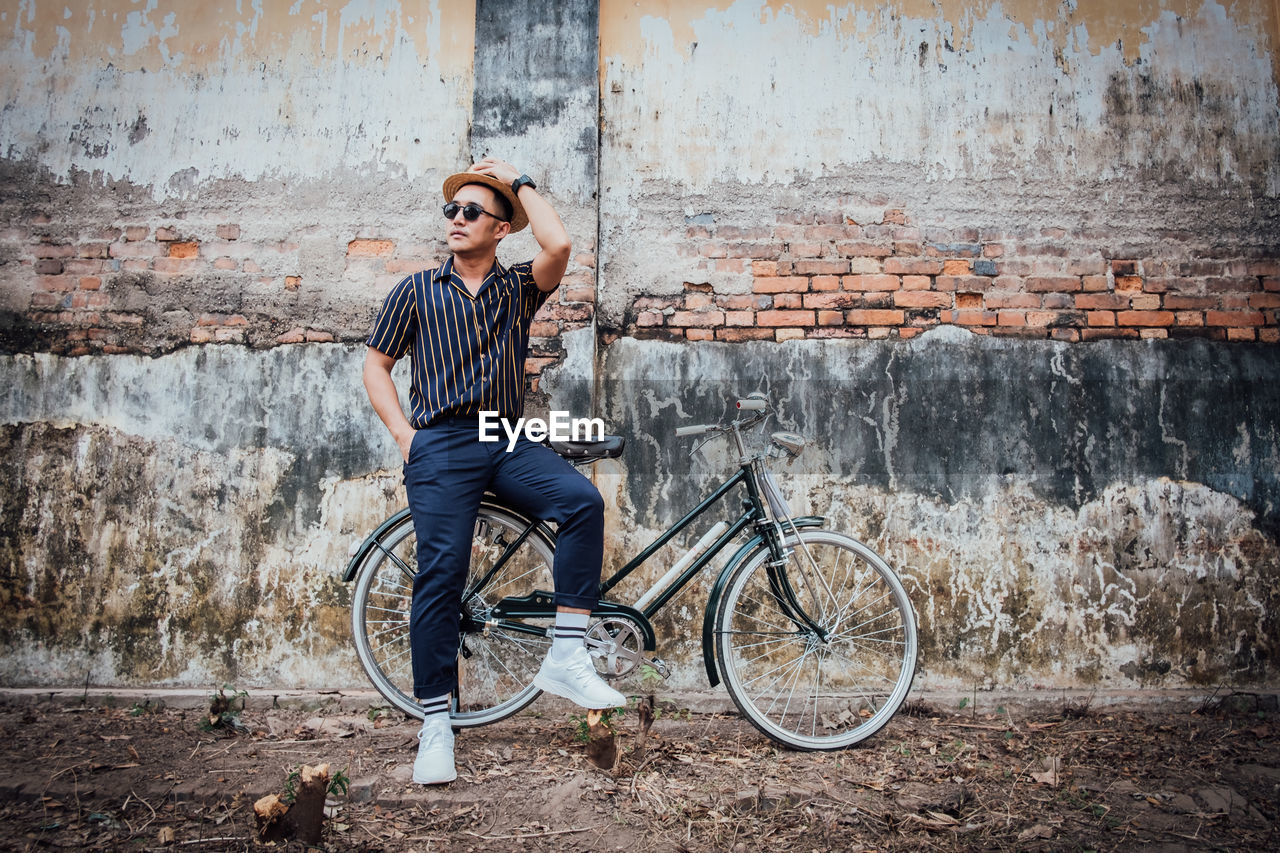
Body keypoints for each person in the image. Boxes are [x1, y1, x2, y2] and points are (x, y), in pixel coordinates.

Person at [362, 157, 625, 786]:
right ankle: (434, 725)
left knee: (582, 504)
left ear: (501, 228)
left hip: (503, 436)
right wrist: (405, 435)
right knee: (442, 574)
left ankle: (566, 653)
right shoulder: (417, 290)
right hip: (442, 441)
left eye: (473, 211)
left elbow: (558, 242)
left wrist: (521, 181)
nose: (457, 219)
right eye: (452, 211)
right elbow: (377, 366)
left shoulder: (517, 288)